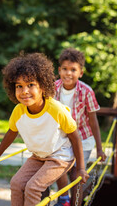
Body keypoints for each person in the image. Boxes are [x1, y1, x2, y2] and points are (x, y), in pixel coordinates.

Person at [0, 52, 89, 206]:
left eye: (30, 85)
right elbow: (11, 133)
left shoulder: (55, 109)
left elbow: (75, 136)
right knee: (16, 183)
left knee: (33, 187)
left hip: (60, 157)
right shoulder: (19, 111)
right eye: (19, 86)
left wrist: (81, 168)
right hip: (38, 156)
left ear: (43, 86)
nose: (24, 91)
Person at [54, 48, 106, 206]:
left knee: (77, 174)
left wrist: (99, 148)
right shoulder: (53, 89)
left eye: (73, 70)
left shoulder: (86, 92)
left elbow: (93, 121)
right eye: (65, 69)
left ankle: (76, 203)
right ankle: (64, 199)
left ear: (80, 73)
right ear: (59, 70)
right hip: (61, 137)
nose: (68, 73)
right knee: (58, 165)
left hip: (83, 137)